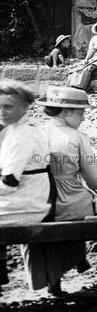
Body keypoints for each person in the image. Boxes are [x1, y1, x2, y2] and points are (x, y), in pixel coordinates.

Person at [26, 86, 97, 297]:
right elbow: (94, 179)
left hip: (37, 199)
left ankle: (52, 277)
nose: (84, 118)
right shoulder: (77, 137)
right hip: (69, 199)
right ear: (66, 112)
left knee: (49, 221)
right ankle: (76, 258)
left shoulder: (36, 133)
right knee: (89, 203)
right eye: (81, 113)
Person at [0, 80, 52, 296]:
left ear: (24, 107)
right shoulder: (14, 130)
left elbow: (10, 182)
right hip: (25, 197)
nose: (2, 112)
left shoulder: (22, 134)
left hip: (28, 202)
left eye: (8, 107)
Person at [69, 19, 97, 90]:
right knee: (78, 66)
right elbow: (91, 50)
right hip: (92, 57)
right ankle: (74, 83)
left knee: (87, 68)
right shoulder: (94, 38)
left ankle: (80, 85)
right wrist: (87, 58)